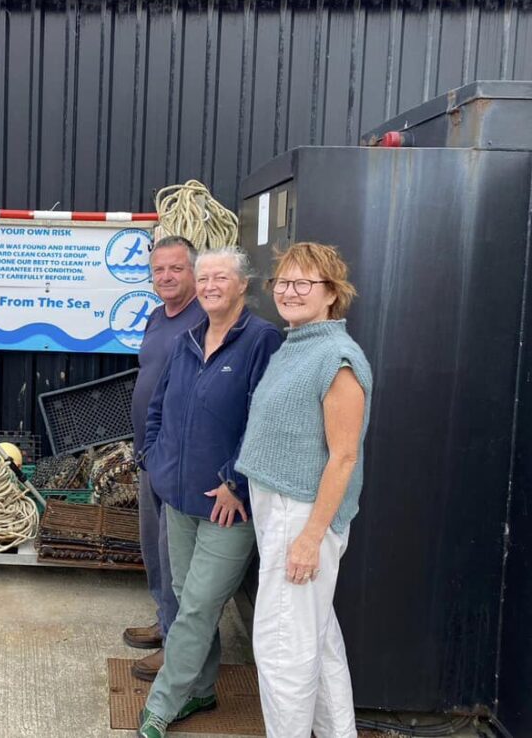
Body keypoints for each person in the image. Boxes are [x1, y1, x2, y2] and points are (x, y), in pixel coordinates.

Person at [137, 248, 282, 738]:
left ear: (243, 284)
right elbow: (160, 406)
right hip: (177, 498)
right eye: (204, 278)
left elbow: (265, 423)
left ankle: (162, 704)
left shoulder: (261, 340)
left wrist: (234, 481)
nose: (209, 285)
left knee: (198, 605)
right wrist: (157, 462)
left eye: (220, 277)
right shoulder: (189, 338)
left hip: (227, 507)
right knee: (183, 594)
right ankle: (201, 686)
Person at [235, 242, 372, 738]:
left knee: (282, 647)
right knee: (316, 635)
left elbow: (344, 456)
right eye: (283, 283)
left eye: (304, 283)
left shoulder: (337, 359)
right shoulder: (296, 344)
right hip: (281, 509)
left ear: (331, 293)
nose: (289, 292)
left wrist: (311, 537)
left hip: (304, 515)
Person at [124, 235, 204, 681]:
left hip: (177, 459)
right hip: (148, 453)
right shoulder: (158, 317)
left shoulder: (205, 320)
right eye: (158, 270)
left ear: (193, 272)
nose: (166, 277)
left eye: (176, 268)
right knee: (154, 549)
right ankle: (164, 620)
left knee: (177, 557)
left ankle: (178, 647)